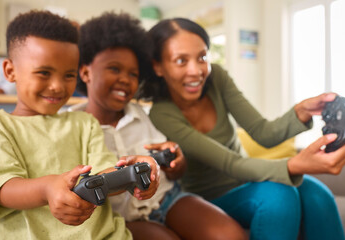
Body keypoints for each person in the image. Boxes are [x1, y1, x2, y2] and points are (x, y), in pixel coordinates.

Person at [138, 18, 345, 240]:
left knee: (318, 195)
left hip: (248, 182)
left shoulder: (217, 78)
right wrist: (293, 165)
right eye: (181, 61)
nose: (196, 71)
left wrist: (301, 111)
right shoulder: (161, 114)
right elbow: (231, 163)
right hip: (207, 199)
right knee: (278, 197)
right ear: (158, 66)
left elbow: (264, 133)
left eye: (202, 57)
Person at [0, 10, 160, 239]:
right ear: (10, 71)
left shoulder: (84, 123)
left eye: (68, 75)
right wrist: (47, 189)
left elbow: (102, 175)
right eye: (44, 73)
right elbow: (1, 188)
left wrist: (130, 174)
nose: (58, 86)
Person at [74, 12, 247, 240]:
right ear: (85, 72)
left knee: (230, 235)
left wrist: (177, 162)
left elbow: (175, 171)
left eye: (133, 74)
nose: (125, 79)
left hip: (167, 200)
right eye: (114, 69)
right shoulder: (72, 125)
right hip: (121, 216)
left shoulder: (144, 115)